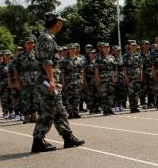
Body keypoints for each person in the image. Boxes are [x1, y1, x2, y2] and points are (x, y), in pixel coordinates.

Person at [31, 12, 84, 152]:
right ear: (57, 22)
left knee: (59, 110)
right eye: (61, 22)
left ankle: (68, 137)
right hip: (46, 80)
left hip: (48, 79)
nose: (62, 24)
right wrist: (51, 81)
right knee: (49, 110)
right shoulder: (46, 38)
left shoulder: (48, 37)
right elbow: (47, 62)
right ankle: (38, 141)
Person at [63, 43, 84, 119]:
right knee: (69, 97)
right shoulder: (65, 60)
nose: (73, 50)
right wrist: (63, 81)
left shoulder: (79, 59)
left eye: (74, 49)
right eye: (71, 49)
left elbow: (81, 71)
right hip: (68, 81)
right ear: (68, 50)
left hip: (77, 81)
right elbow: (63, 72)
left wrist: (82, 79)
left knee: (77, 97)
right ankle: (70, 112)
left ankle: (75, 112)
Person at [94, 42, 116, 115]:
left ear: (109, 49)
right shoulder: (98, 58)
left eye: (107, 48)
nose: (106, 49)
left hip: (111, 78)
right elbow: (96, 68)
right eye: (104, 48)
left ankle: (109, 108)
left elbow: (114, 68)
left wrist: (115, 77)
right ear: (102, 49)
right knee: (104, 95)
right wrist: (97, 78)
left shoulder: (112, 57)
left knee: (111, 94)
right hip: (103, 78)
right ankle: (105, 109)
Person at [123, 40, 143, 113]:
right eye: (132, 45)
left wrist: (141, 75)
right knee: (131, 93)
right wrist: (126, 77)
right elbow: (124, 68)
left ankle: (136, 106)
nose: (134, 47)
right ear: (129, 46)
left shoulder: (138, 55)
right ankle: (132, 107)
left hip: (137, 76)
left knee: (136, 92)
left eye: (135, 45)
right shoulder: (126, 56)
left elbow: (140, 66)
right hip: (130, 77)